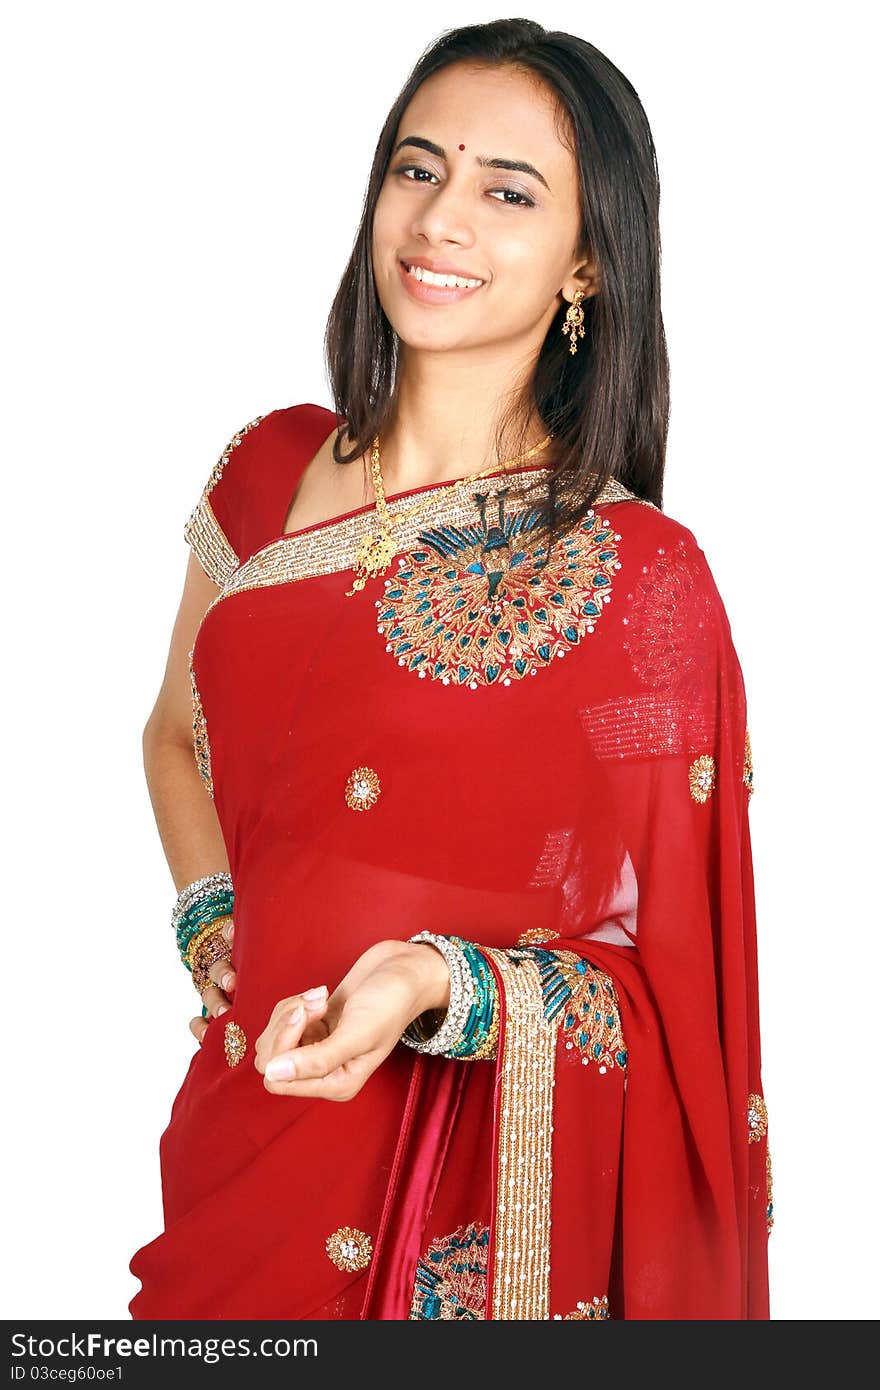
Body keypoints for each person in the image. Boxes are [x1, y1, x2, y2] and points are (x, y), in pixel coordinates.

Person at [128, 18, 771, 1320]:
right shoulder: (269, 467)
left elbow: (678, 990)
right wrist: (212, 917)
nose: (441, 220)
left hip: (440, 1190)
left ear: (590, 260)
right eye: (417, 170)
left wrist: (441, 979)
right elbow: (172, 733)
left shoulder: (639, 577)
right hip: (249, 1124)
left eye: (506, 190)